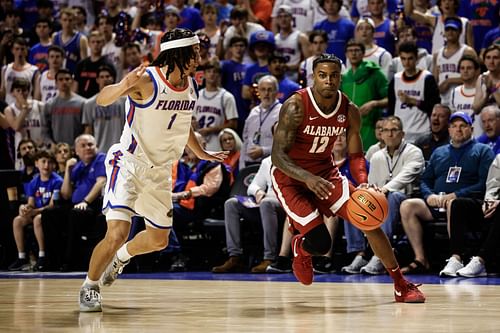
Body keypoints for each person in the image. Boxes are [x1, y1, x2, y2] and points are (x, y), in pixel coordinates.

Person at [78, 28, 227, 312]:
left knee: (159, 241)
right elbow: (102, 99)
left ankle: (121, 257)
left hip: (159, 172)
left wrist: (201, 152)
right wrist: (122, 85)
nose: (199, 58)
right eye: (194, 53)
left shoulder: (192, 86)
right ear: (178, 54)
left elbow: (183, 127)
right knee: (117, 231)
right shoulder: (147, 80)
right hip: (129, 164)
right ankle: (89, 286)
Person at [271, 53, 425, 303]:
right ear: (313, 77)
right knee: (321, 243)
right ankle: (301, 247)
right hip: (290, 177)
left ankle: (400, 284)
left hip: (325, 172)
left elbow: (355, 155)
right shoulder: (296, 105)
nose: (328, 81)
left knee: (368, 218)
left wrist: (362, 180)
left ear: (340, 77)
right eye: (322, 75)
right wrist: (307, 177)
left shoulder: (349, 109)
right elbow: (277, 156)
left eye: (333, 75)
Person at [399, 111, 494, 274]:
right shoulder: (439, 152)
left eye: (463, 126)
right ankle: (420, 259)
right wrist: (429, 196)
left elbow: (484, 183)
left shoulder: (483, 150)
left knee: (453, 204)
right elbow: (425, 180)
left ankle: (456, 258)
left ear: (471, 129)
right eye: (454, 126)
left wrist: (456, 195)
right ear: (449, 129)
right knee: (408, 206)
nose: (458, 129)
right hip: (437, 201)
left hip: (466, 205)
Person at [212, 153, 285, 273]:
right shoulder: (268, 161)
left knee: (266, 203)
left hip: (286, 204)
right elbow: (253, 185)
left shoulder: (296, 158)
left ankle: (270, 258)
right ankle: (235, 257)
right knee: (231, 204)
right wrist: (258, 191)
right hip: (266, 201)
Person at [441, 154, 500, 277]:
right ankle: (456, 258)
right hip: (496, 205)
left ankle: (481, 261)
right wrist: (489, 202)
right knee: (458, 205)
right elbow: (493, 185)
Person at [8, 150, 62, 271]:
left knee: (38, 219)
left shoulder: (57, 181)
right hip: (36, 211)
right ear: (36, 163)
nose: (46, 165)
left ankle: (42, 255)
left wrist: (35, 212)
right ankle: (22, 257)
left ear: (54, 165)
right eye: (43, 162)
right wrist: (25, 208)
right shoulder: (34, 181)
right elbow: (31, 203)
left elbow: (52, 206)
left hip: (49, 215)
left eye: (49, 162)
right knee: (17, 220)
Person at [388, 41, 440, 143]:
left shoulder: (427, 78)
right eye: (403, 59)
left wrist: (412, 101)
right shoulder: (396, 78)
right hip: (400, 132)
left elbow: (434, 106)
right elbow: (391, 107)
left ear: (417, 58)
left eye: (410, 58)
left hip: (422, 133)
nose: (406, 63)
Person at [341, 39, 388, 150]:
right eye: (350, 50)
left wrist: (374, 103)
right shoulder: (343, 78)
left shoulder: (375, 73)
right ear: (346, 54)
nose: (353, 53)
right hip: (349, 130)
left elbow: (390, 99)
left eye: (357, 50)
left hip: (370, 129)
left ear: (363, 54)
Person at [240, 75, 281, 169]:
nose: (266, 93)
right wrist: (241, 167)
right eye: (263, 89)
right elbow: (245, 141)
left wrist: (264, 151)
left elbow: (286, 146)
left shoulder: (282, 112)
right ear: (258, 91)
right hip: (249, 165)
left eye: (270, 90)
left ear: (276, 92)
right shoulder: (253, 112)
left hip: (271, 166)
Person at [82, 65, 126, 153]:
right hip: (99, 151)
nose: (105, 79)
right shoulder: (89, 103)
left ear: (113, 79)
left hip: (121, 149)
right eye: (101, 77)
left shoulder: (124, 101)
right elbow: (88, 130)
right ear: (97, 80)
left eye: (107, 76)